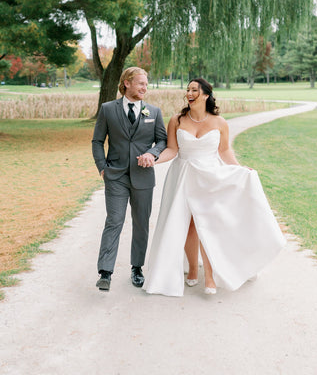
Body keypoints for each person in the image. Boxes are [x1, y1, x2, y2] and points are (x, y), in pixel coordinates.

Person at [142, 78, 286, 296]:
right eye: (188, 90)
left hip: (210, 177)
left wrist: (240, 169)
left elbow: (225, 151)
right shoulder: (177, 120)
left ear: (206, 95)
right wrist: (153, 159)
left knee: (206, 223)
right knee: (188, 224)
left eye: (194, 90)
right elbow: (172, 150)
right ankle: (192, 268)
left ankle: (209, 275)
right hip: (182, 175)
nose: (189, 93)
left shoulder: (219, 122)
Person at [92, 67, 167, 291]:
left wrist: (152, 154)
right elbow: (97, 141)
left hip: (143, 177)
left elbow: (162, 141)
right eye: (141, 84)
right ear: (126, 83)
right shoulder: (107, 109)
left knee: (141, 223)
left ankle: (137, 268)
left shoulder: (154, 112)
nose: (145, 88)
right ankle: (105, 272)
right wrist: (102, 167)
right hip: (115, 175)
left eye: (146, 84)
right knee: (114, 220)